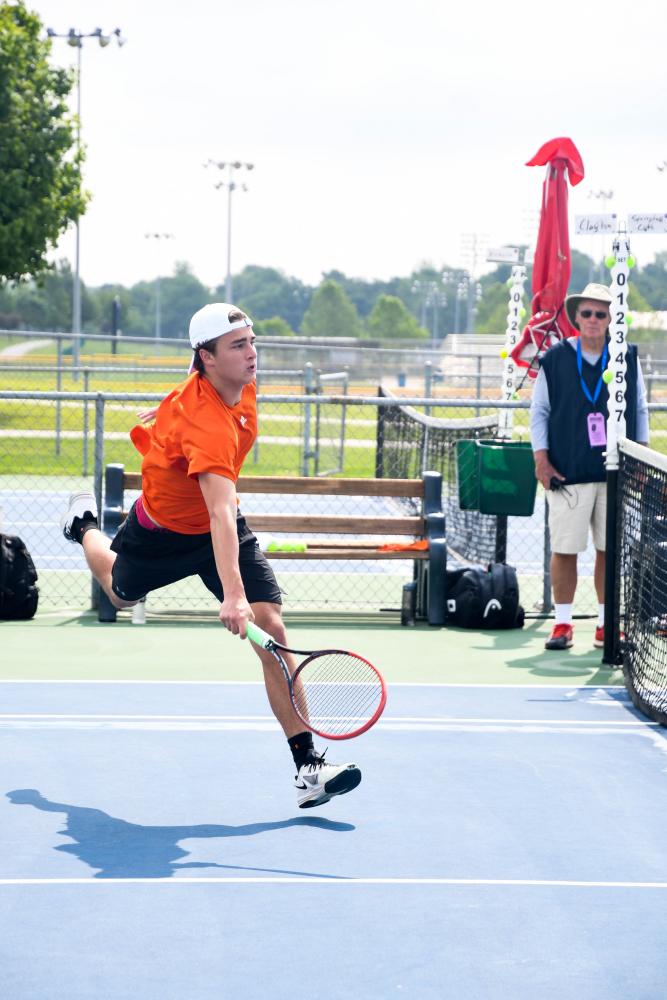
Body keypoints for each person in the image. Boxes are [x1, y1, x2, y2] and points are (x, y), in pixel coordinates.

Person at [60, 302, 361, 808]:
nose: (251, 354)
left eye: (251, 341)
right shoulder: (208, 425)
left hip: (216, 527)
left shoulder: (237, 385)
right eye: (238, 345)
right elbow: (219, 514)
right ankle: (84, 526)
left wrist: (174, 406)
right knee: (120, 592)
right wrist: (233, 596)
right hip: (165, 531)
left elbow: (223, 518)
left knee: (273, 632)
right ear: (208, 357)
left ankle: (309, 768)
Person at [530, 283, 649, 651]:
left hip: (616, 473)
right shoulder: (555, 359)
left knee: (608, 551)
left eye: (602, 313)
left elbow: (640, 410)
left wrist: (641, 458)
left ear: (612, 318)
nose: (594, 320)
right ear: (576, 317)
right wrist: (541, 460)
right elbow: (540, 413)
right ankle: (563, 624)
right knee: (565, 549)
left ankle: (605, 624)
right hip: (568, 474)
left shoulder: (626, 357)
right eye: (587, 313)